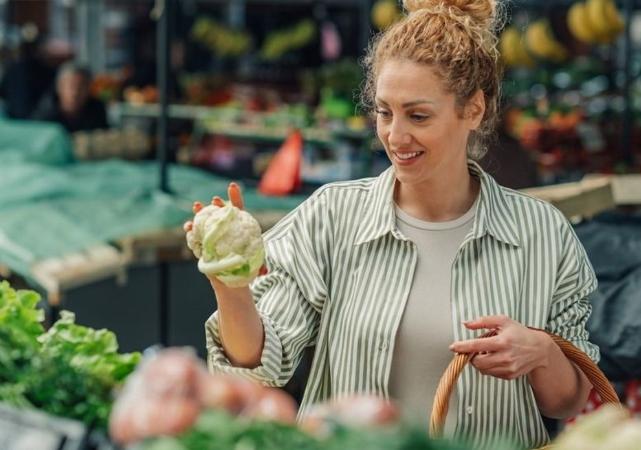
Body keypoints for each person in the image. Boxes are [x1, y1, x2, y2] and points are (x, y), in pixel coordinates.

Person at [189, 0, 599, 447]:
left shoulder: (543, 234)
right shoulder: (331, 217)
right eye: (385, 112)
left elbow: (569, 401)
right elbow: (259, 369)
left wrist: (541, 353)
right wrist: (232, 285)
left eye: (418, 115)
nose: (395, 136)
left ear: (474, 110)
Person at [31, 62, 108, 133]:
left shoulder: (97, 109)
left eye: (81, 86)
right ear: (60, 87)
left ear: (89, 88)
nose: (75, 92)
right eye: (71, 86)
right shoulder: (44, 116)